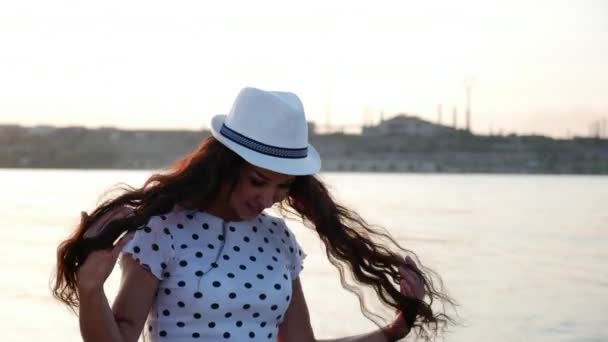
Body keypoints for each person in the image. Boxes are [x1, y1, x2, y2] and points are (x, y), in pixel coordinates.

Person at [53, 87, 454, 341]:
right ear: (225, 167)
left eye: (283, 187)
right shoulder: (163, 231)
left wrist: (394, 330)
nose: (268, 198)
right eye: (258, 181)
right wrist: (91, 291)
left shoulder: (278, 240)